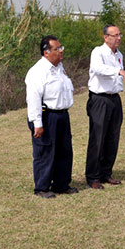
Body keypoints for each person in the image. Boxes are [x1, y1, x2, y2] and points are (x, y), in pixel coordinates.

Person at [25, 35, 78, 199]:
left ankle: (61, 184)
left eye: (61, 48)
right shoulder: (38, 72)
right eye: (57, 49)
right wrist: (37, 124)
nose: (61, 51)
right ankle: (42, 187)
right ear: (46, 52)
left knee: (64, 151)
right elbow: (33, 99)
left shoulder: (59, 68)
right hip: (46, 116)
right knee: (45, 152)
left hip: (62, 115)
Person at [86, 24, 125, 189]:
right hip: (100, 99)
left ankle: (106, 173)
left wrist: (120, 73)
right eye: (115, 35)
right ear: (106, 37)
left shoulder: (118, 54)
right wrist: (118, 71)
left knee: (112, 138)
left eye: (120, 35)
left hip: (114, 99)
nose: (119, 38)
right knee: (97, 139)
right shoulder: (98, 52)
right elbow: (98, 69)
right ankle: (93, 176)